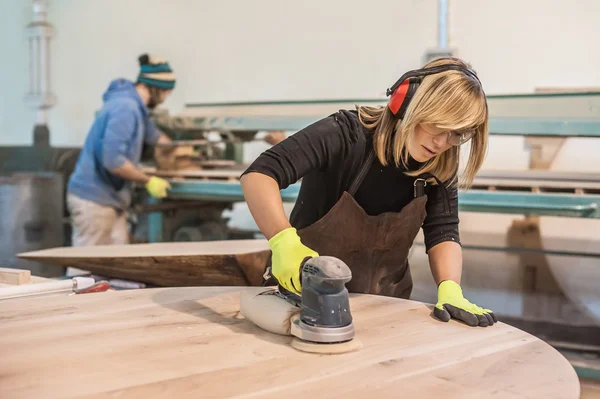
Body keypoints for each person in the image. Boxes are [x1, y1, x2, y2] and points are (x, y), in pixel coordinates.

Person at [240, 56, 497, 327]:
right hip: (303, 304)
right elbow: (260, 174)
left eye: (456, 135)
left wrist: (450, 288)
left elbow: (443, 231)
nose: (442, 142)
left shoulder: (439, 164)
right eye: (438, 126)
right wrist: (283, 243)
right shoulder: (346, 134)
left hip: (384, 311)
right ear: (409, 102)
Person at [67, 54, 176, 246]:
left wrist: (184, 151)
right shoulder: (125, 107)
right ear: (155, 87)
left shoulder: (135, 107)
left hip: (112, 201)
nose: (166, 98)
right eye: (167, 92)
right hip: (94, 201)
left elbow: (155, 136)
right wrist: (147, 180)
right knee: (85, 269)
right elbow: (112, 160)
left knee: (117, 265)